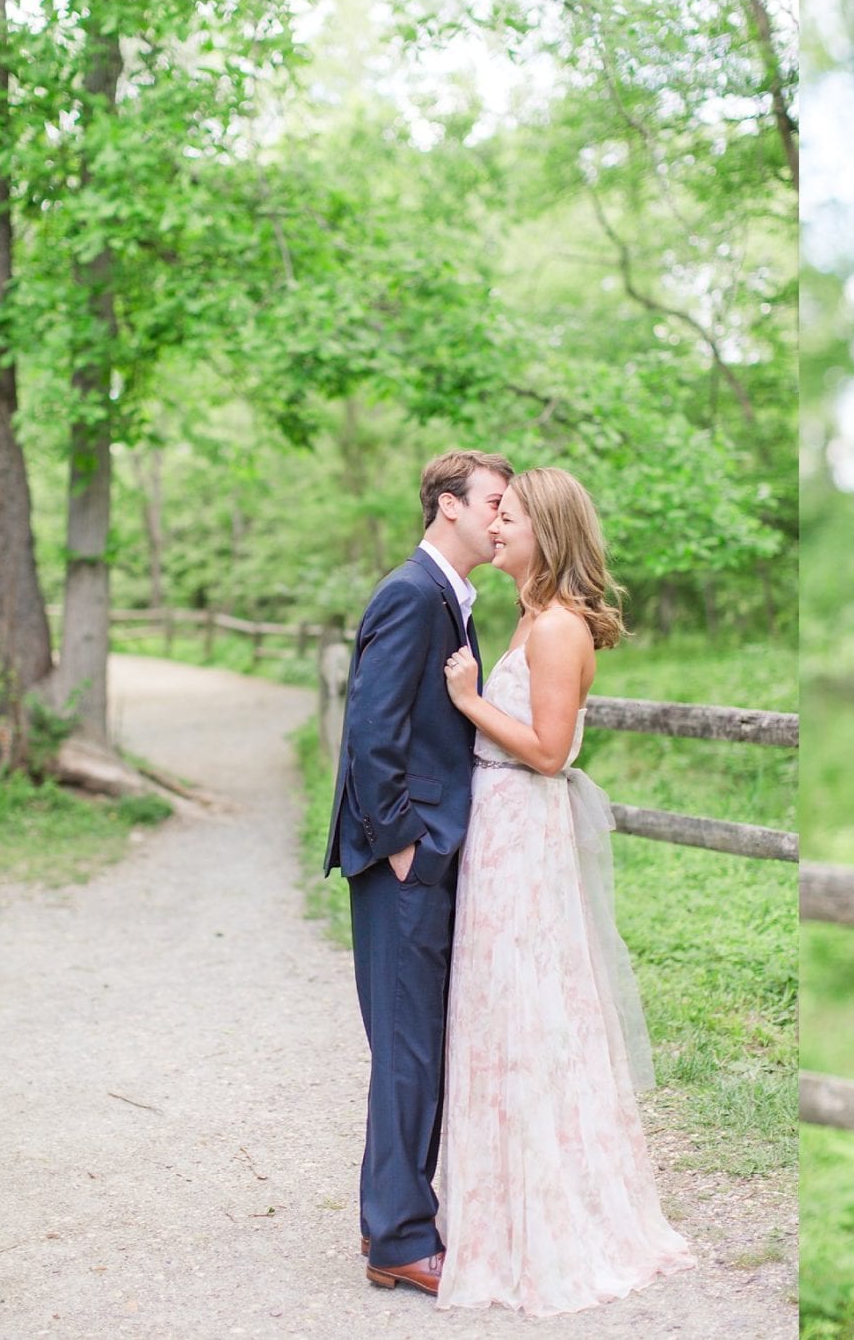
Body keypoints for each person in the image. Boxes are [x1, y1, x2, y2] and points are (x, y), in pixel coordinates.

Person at [435, 466, 694, 1314]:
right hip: (501, 834)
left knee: (530, 1013)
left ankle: (551, 1224)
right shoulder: (529, 617)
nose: (495, 529)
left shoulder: (557, 629)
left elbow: (548, 750)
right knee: (499, 1014)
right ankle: (497, 1215)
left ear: (546, 529)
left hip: (524, 832)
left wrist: (470, 703)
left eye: (508, 518)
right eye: (493, 514)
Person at [324, 448, 513, 1295]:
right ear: (447, 507)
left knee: (421, 1046)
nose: (502, 519)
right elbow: (372, 732)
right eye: (494, 504)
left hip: (426, 857)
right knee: (406, 1048)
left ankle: (406, 1218)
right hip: (403, 860)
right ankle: (398, 1237)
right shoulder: (412, 594)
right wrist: (404, 844)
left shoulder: (452, 599)